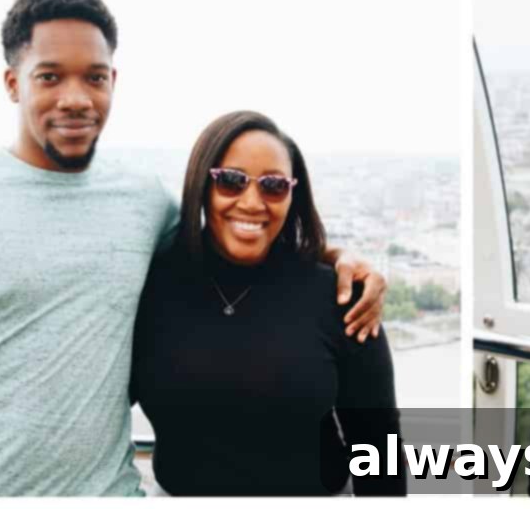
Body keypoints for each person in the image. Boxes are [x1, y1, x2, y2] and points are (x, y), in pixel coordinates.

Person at [0, 0, 385, 496]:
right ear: (13, 83)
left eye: (94, 77)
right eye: (49, 76)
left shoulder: (144, 204)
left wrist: (343, 260)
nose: (75, 98)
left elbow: (235, 238)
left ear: (112, 82)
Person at [130, 112, 404, 495]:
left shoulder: (340, 298)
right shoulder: (149, 289)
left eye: (273, 186)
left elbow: (378, 447)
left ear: (293, 195)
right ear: (201, 185)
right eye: (231, 181)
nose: (252, 202)